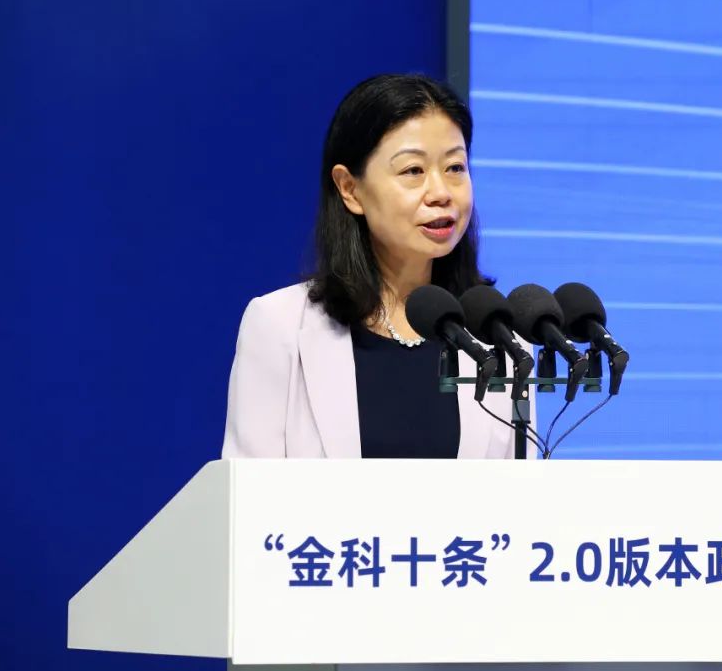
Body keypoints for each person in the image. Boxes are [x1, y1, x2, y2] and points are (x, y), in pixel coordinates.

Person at [221, 74, 533, 459]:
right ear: (350, 189)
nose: (441, 193)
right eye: (413, 171)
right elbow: (245, 490)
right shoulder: (278, 325)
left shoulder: (502, 339)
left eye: (455, 168)